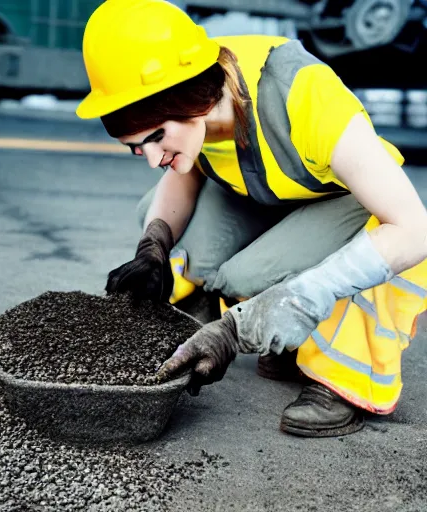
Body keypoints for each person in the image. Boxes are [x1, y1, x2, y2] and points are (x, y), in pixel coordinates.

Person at [76, 0, 427, 437]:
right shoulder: (197, 88)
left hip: (357, 207)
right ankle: (270, 336)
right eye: (135, 146)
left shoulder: (303, 93)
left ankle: (342, 377)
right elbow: (187, 173)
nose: (150, 158)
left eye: (156, 137)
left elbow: (413, 229)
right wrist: (153, 246)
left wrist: (278, 310)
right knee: (201, 253)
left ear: (191, 97)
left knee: (285, 277)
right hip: (273, 194)